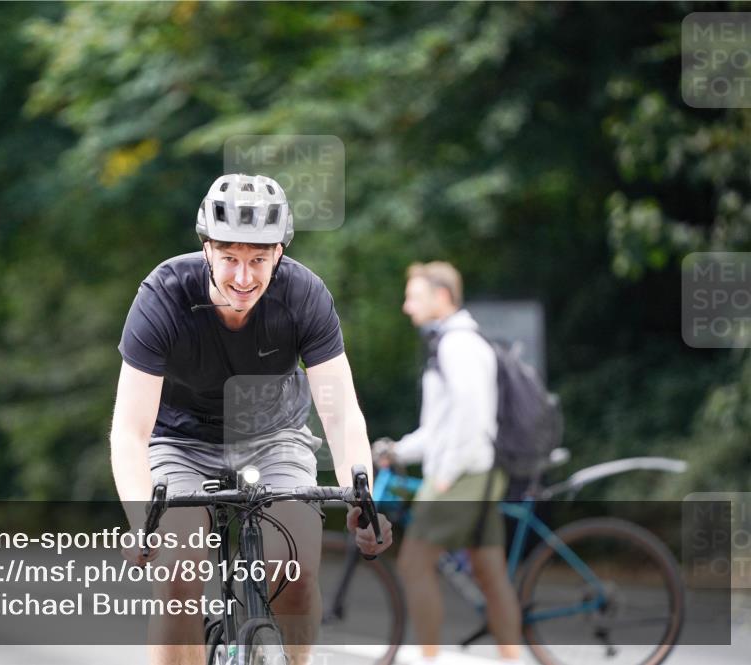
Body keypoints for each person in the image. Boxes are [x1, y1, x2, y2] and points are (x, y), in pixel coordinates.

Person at [110, 173, 391, 665]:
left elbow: (341, 413)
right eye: (230, 258)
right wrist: (141, 520)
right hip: (180, 442)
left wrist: (359, 499)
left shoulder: (305, 296)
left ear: (280, 253)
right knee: (180, 568)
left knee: (298, 569)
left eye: (259, 260)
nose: (244, 277)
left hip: (273, 436)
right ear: (206, 250)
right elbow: (130, 430)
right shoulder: (163, 296)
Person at [377, 261, 522, 664]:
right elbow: (439, 428)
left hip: (466, 474)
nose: (407, 306)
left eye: (414, 297)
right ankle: (512, 657)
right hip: (479, 470)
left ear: (441, 297)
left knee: (413, 564)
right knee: (490, 573)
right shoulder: (453, 342)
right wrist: (399, 451)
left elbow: (471, 418)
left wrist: (443, 477)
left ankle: (428, 657)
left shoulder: (458, 345)